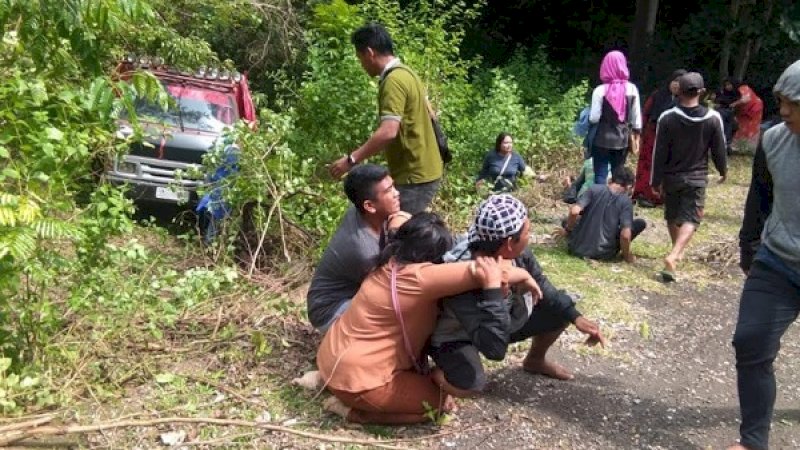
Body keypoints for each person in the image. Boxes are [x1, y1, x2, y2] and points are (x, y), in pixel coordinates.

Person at [317, 212, 542, 424]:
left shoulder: (390, 259)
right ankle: (354, 413)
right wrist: (524, 275)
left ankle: (331, 384)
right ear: (432, 257)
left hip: (332, 358)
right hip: (358, 381)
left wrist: (398, 214)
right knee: (439, 405)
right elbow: (485, 271)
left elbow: (398, 218)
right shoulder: (422, 276)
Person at [429, 194, 607, 397]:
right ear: (509, 243)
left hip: (497, 323)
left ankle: (535, 360)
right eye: (527, 232)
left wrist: (576, 317)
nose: (529, 237)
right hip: (459, 335)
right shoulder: (461, 272)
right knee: (472, 386)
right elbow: (494, 350)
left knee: (561, 307)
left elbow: (542, 284)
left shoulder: (514, 252)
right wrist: (495, 290)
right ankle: (431, 376)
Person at [728, 59, 800, 450]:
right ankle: (753, 441)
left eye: (794, 102)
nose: (783, 110)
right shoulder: (773, 139)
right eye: (780, 99)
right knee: (750, 341)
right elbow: (760, 198)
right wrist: (749, 247)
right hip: (778, 261)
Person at [328, 23, 442, 214]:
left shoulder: (393, 81)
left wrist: (351, 160)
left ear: (369, 53)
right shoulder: (407, 73)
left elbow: (388, 131)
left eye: (360, 57)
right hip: (424, 170)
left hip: (414, 176)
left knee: (399, 233)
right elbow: (430, 113)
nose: (361, 64)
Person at [306, 164, 410, 332]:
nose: (397, 193)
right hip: (330, 310)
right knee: (398, 310)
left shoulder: (362, 211)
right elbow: (390, 287)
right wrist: (396, 229)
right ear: (369, 206)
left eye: (394, 186)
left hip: (352, 292)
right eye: (389, 191)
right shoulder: (363, 249)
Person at [650, 72, 727, 282]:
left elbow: (659, 152)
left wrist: (655, 181)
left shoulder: (667, 118)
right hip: (697, 177)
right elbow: (719, 149)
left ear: (679, 92)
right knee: (692, 218)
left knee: (672, 216)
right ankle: (675, 254)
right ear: (701, 92)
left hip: (671, 177)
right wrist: (723, 170)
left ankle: (675, 255)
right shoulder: (712, 118)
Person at [561, 167, 646, 262]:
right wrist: (627, 256)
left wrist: (567, 230)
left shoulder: (593, 189)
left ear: (610, 180)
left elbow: (574, 211)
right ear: (629, 187)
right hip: (604, 253)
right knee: (640, 223)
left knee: (566, 221)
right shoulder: (625, 201)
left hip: (577, 248)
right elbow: (625, 235)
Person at [633, 69, 686, 207]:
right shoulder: (658, 95)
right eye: (675, 82)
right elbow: (645, 113)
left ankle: (663, 196)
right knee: (648, 164)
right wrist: (640, 132)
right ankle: (644, 194)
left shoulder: (685, 100)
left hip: (672, 138)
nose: (676, 85)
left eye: (680, 83)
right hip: (653, 135)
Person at [589, 50, 642, 185]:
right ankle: (615, 202)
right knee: (618, 173)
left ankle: (599, 201)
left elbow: (593, 118)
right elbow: (636, 119)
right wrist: (636, 133)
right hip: (622, 139)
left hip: (601, 138)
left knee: (600, 173)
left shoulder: (600, 90)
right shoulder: (632, 89)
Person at [729, 79, 764, 151]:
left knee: (750, 128)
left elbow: (745, 99)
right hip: (743, 112)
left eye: (729, 84)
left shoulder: (743, 88)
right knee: (740, 127)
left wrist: (733, 104)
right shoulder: (733, 92)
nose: (728, 86)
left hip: (753, 109)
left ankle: (748, 147)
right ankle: (739, 146)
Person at [713, 77, 742, 154]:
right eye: (726, 85)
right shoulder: (722, 93)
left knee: (731, 125)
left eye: (729, 85)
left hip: (730, 114)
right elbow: (717, 102)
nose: (727, 87)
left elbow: (734, 106)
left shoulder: (737, 94)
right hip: (722, 114)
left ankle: (726, 144)